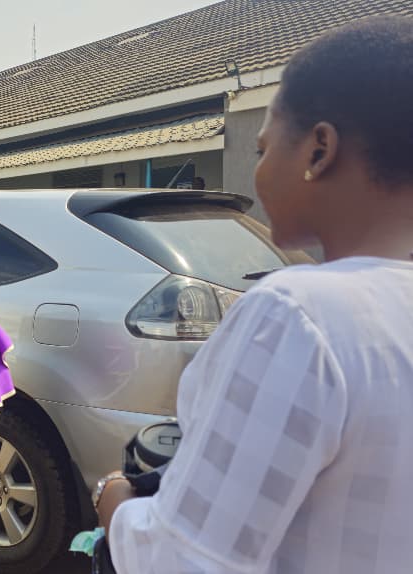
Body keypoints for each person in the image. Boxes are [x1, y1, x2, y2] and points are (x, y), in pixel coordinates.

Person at [95, 16, 413, 573]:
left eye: (263, 149)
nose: (258, 171)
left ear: (319, 150)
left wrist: (115, 503)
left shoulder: (296, 314)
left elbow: (182, 561)